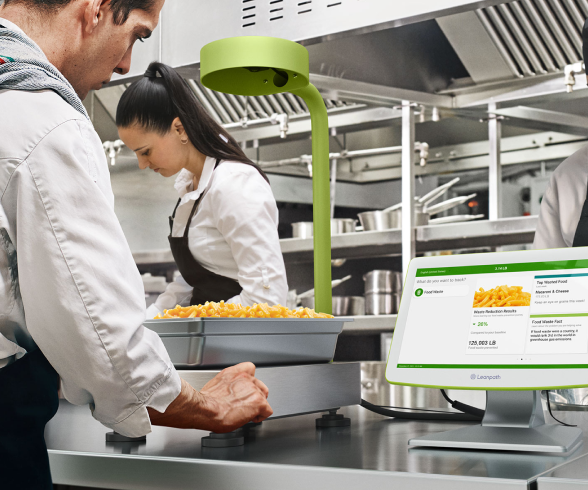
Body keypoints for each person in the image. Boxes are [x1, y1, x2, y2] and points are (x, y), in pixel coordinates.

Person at [0, 1, 272, 488]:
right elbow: (98, 331)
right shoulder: (45, 118)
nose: (126, 64)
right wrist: (204, 405)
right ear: (98, 9)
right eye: (138, 35)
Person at [116, 62, 288, 318]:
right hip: (213, 342)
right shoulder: (190, 187)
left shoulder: (234, 184)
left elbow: (267, 298)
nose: (142, 164)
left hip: (242, 342)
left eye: (146, 151)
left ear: (179, 129)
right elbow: (193, 281)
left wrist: (198, 320)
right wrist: (149, 322)